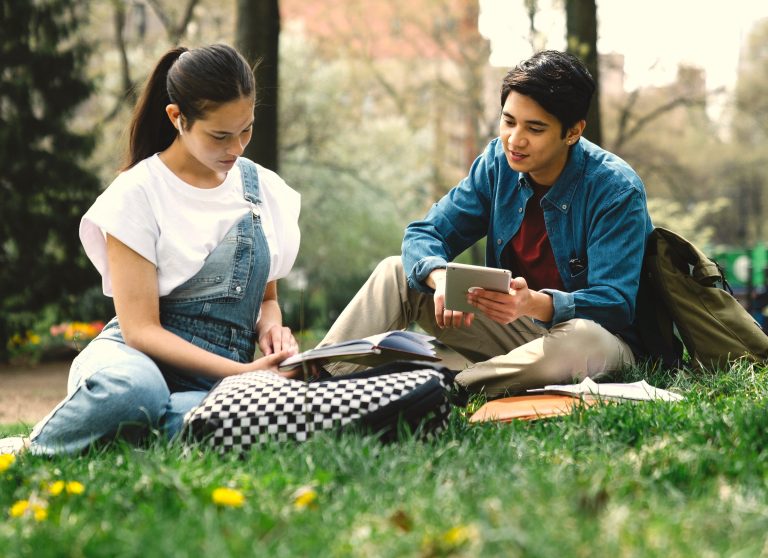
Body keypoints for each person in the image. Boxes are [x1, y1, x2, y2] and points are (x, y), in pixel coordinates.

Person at [0, 44, 301, 455]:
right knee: (137, 392)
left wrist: (271, 331)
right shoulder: (137, 193)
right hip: (132, 362)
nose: (238, 148)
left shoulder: (262, 189)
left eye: (246, 129)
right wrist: (244, 373)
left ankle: (127, 435)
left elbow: (267, 299)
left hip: (213, 381)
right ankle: (26, 449)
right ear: (178, 118)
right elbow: (141, 331)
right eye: (220, 135)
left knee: (206, 421)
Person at [320, 50, 653, 398]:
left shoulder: (615, 189)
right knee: (398, 272)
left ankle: (442, 389)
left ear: (572, 132)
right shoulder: (498, 163)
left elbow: (615, 305)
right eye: (509, 122)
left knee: (583, 337)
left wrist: (535, 303)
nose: (515, 139)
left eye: (534, 128)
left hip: (599, 345)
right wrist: (441, 277)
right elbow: (425, 233)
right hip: (518, 332)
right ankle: (313, 384)